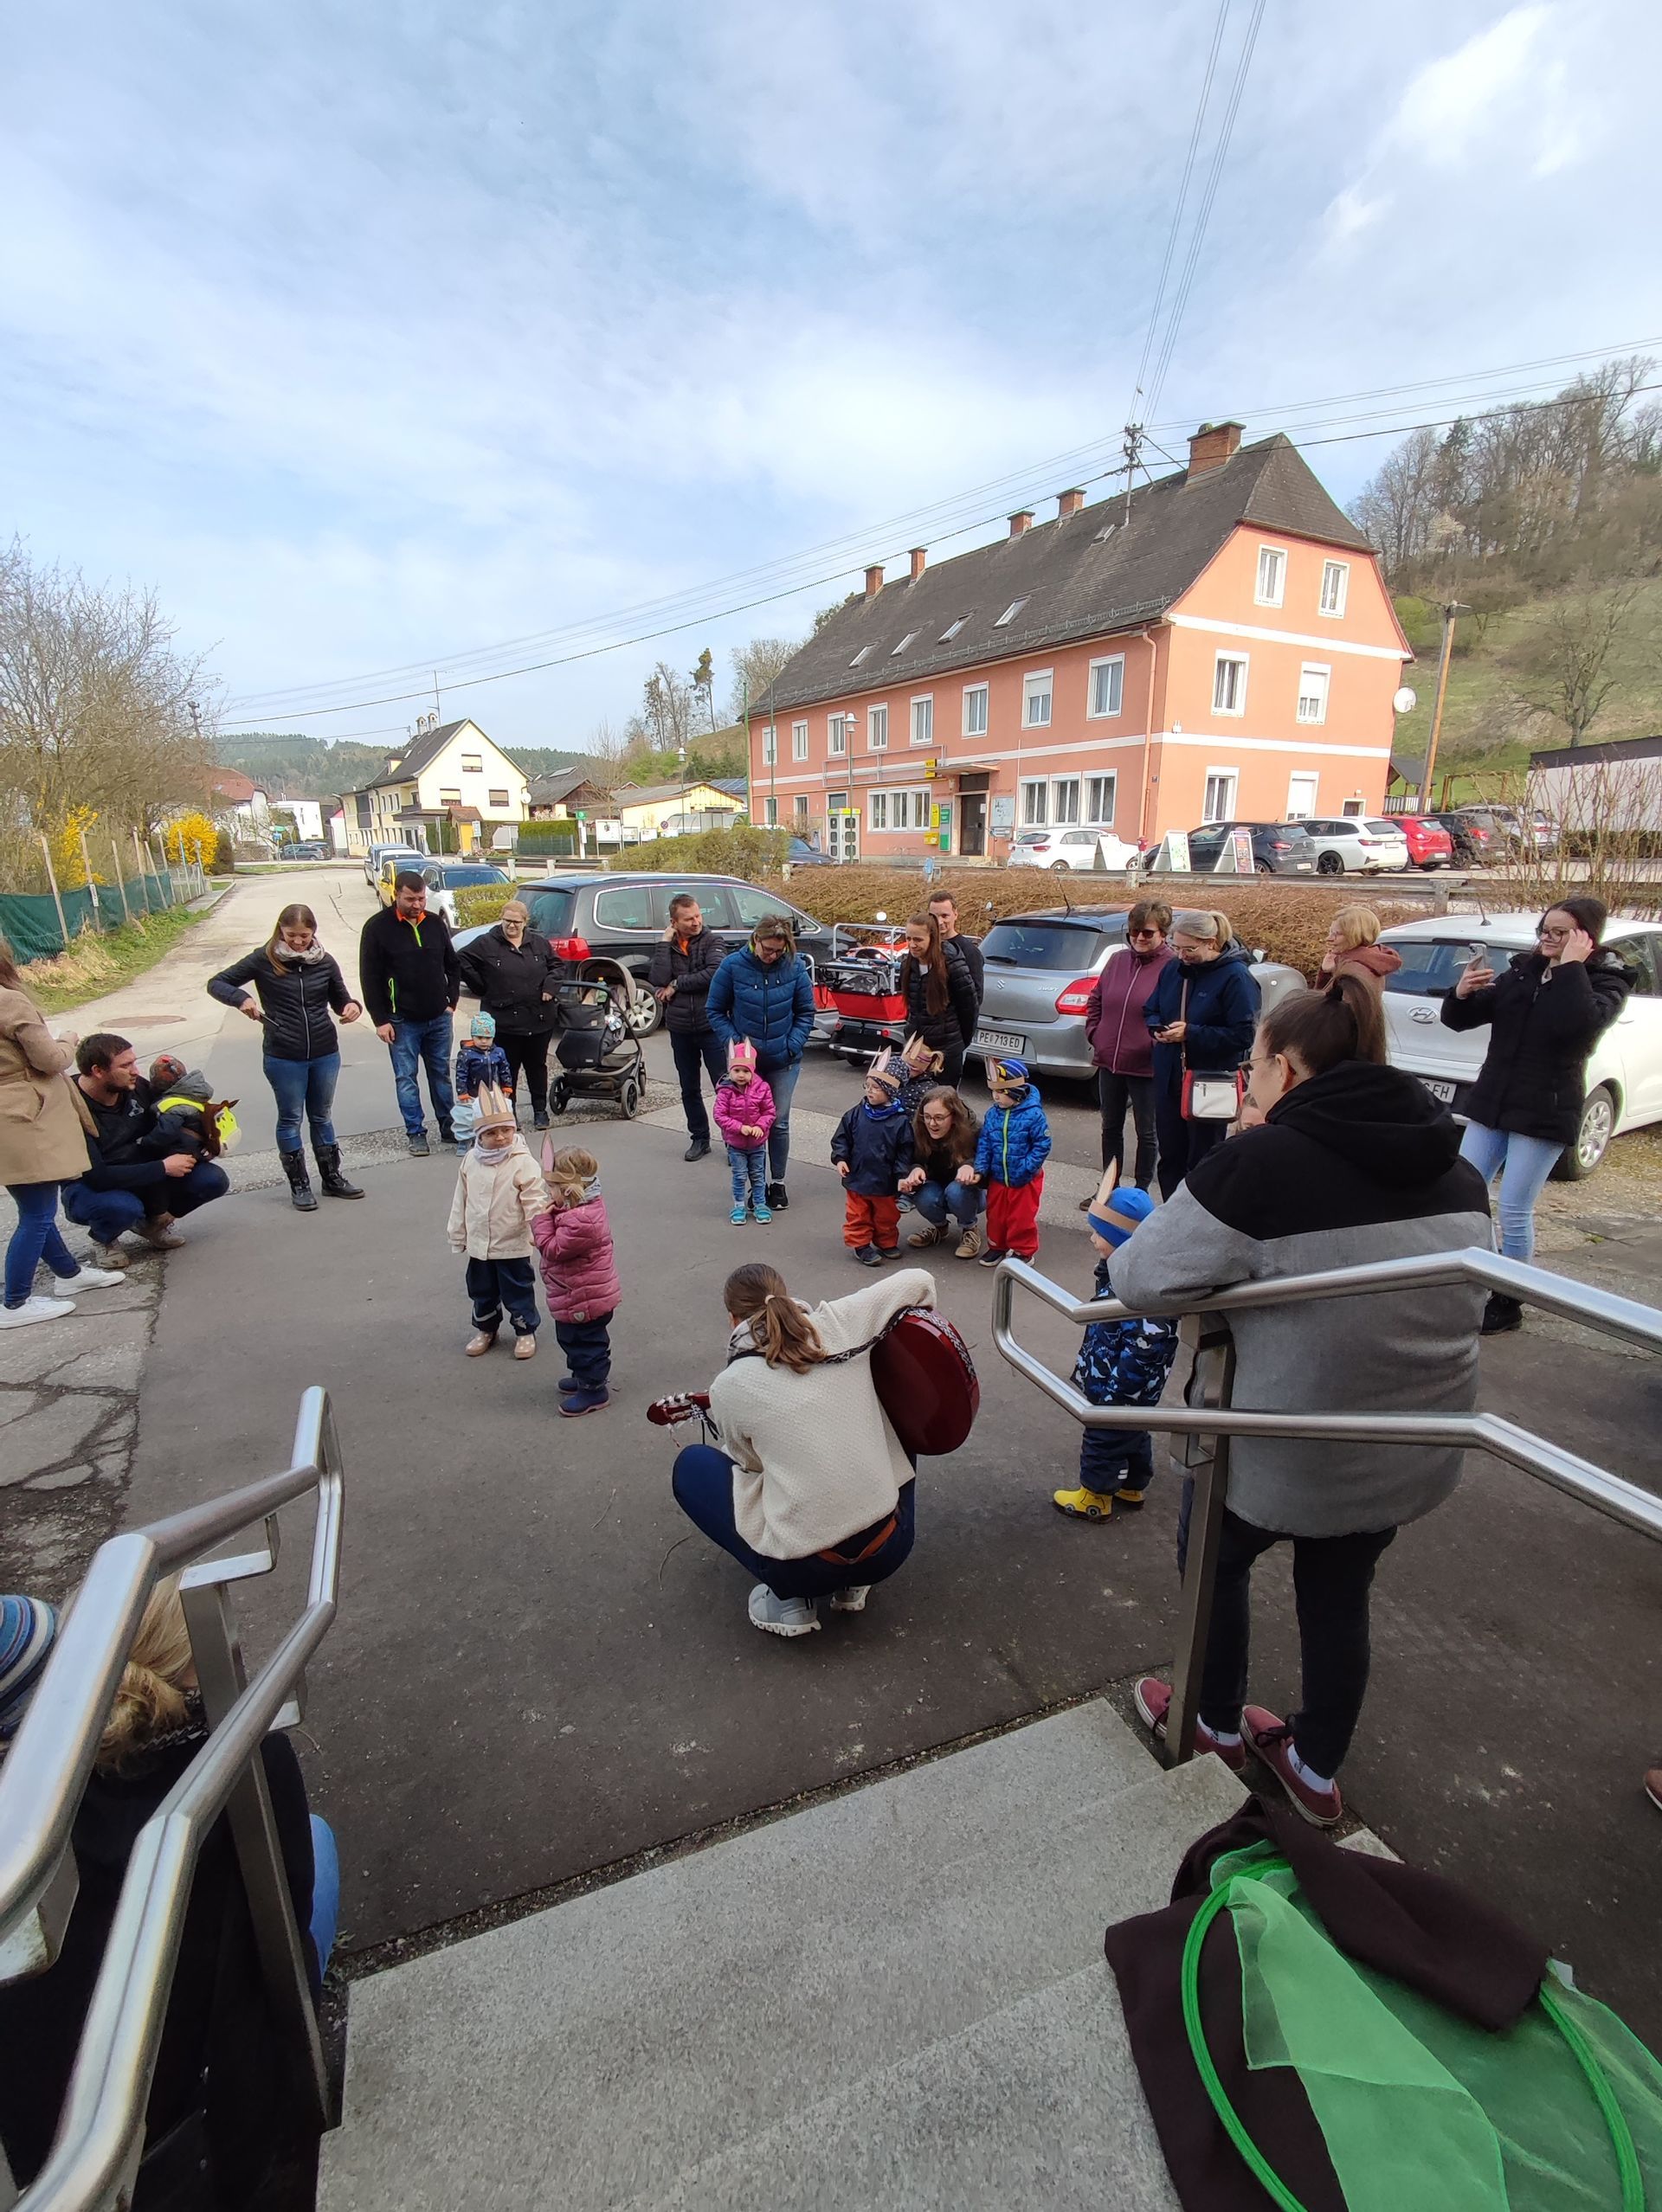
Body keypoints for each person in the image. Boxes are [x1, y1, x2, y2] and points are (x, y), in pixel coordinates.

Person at [1115, 974, 1491, 1826]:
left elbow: (1140, 1277)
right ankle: (1315, 1769)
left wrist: (1231, 1166)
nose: (1248, 1082)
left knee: (1215, 1560)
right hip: (1408, 1445)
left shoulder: (1260, 1165)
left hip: (1279, 1447)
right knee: (1340, 1592)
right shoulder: (1457, 1162)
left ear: (1284, 1068)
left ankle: (1211, 1723)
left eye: (1253, 1067)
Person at [0, 1585, 338, 2207]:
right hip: (207, 2120)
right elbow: (286, 1917)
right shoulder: (248, 1754)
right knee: (315, 1843)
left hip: (43, 2156)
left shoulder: (35, 1806)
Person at [668, 1261, 931, 1636]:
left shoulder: (728, 1386)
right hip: (890, 1547)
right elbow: (919, 1280)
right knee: (898, 1413)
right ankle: (856, 1581)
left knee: (692, 1466)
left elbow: (751, 1468)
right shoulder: (841, 1321)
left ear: (732, 1320)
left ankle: (789, 1602)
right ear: (786, 1295)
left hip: (804, 1569)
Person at [1441, 895, 1630, 1335]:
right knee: (1464, 1192)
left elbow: (1577, 1026)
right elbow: (1462, 1019)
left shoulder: (1607, 980)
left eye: (1560, 932)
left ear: (1586, 938)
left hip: (1545, 1108)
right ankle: (1483, 1276)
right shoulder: (1524, 970)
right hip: (1493, 1100)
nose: (1547, 938)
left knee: (1514, 1208)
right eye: (1544, 929)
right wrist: (1461, 994)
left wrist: (1571, 968)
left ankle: (1509, 1300)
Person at [0, 934, 124, 1329]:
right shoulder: (10, 1001)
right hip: (27, 1117)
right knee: (37, 1214)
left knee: (34, 1207)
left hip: (9, 1119)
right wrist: (68, 1042)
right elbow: (50, 1060)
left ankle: (68, 1274)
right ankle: (15, 1302)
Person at [207, 903, 364, 1210]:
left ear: (313, 932)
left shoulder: (325, 962)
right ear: (280, 930)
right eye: (291, 935)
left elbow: (341, 999)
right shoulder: (263, 959)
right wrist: (242, 999)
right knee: (291, 1118)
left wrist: (351, 1007)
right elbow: (217, 983)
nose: (298, 942)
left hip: (325, 1051)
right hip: (283, 1054)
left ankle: (332, 1178)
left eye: (304, 936)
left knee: (322, 1116)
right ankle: (299, 1184)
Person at [1051, 1181, 1180, 1521]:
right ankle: (1132, 1486)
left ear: (1123, 1242)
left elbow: (1145, 1348)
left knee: (1103, 1437)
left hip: (1119, 1385)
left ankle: (1094, 1496)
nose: (1093, 1239)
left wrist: (1116, 1392)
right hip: (1128, 1387)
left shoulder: (1139, 1291)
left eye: (1100, 1234)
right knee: (1133, 1432)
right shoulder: (1130, 1273)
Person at [61, 1034, 230, 1267]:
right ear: (98, 1071)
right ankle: (105, 1237)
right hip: (94, 1184)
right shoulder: (69, 1106)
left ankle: (152, 1225)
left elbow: (172, 1122)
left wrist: (200, 1143)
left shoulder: (135, 1087)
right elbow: (97, 1177)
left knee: (213, 1179)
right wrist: (163, 1167)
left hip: (145, 1169)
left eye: (134, 1062)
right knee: (122, 1208)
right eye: (125, 1066)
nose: (135, 1071)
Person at [1145, 909, 1260, 1200]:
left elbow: (1243, 1035)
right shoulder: (1173, 969)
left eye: (1189, 949)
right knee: (1170, 1155)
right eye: (1176, 947)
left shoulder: (1237, 977)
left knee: (1203, 1159)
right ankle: (1171, 1213)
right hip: (1170, 1075)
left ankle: (1199, 1213)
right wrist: (1156, 1028)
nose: (1181, 955)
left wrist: (1191, 1033)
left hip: (1211, 1081)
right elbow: (1151, 1008)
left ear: (1211, 943)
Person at [707, 915, 815, 1210]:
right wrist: (737, 1046)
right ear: (755, 940)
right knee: (746, 1122)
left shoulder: (794, 967)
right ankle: (755, 1185)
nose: (772, 956)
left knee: (777, 1121)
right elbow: (715, 1010)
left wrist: (792, 1045)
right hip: (745, 1063)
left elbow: (806, 1012)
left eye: (779, 951)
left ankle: (777, 1183)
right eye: (768, 949)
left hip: (783, 1059)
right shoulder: (732, 966)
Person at [358, 871, 461, 1157]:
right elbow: (369, 977)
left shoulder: (435, 924)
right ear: (396, 895)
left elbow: (453, 965)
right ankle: (416, 1133)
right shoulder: (377, 928)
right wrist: (380, 1020)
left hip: (439, 1017)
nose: (417, 905)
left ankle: (448, 1127)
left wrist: (451, 1001)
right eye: (410, 899)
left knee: (441, 1075)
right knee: (406, 1078)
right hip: (401, 1020)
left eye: (421, 899)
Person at [1079, 900, 1172, 1198]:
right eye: (1134, 932)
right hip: (1110, 1060)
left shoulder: (1172, 967)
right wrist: (1096, 1033)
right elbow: (1096, 1000)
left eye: (1147, 933)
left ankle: (1139, 1194)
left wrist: (1153, 1044)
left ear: (1163, 933)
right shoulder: (1118, 960)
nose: (1139, 938)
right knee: (1110, 1127)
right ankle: (1109, 1189)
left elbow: (1173, 1014)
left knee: (1147, 1132)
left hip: (1147, 1066)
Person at [447, 1085, 546, 1359]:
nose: (500, 1137)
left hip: (511, 1243)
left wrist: (539, 1231)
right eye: (491, 1133)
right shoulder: (471, 1160)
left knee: (518, 1289)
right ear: (479, 1135)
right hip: (480, 1244)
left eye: (506, 1130)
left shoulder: (522, 1162)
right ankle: (486, 1329)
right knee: (482, 1290)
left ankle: (525, 1331)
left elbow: (535, 1199)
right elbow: (461, 1199)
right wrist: (458, 1233)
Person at [457, 898, 561, 1129]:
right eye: (507, 920)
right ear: (501, 919)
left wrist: (550, 987)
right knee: (507, 1069)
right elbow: (461, 960)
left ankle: (540, 1111)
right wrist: (481, 986)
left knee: (537, 1067)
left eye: (516, 922)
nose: (511, 926)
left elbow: (557, 966)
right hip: (504, 1021)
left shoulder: (539, 943)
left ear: (525, 922)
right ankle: (508, 1112)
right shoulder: (486, 943)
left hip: (538, 1018)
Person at [531, 1145, 620, 1415]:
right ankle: (584, 1377)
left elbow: (553, 1249)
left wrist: (541, 1221)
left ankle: (594, 1389)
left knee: (585, 1345)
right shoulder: (577, 1210)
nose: (549, 1193)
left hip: (584, 1298)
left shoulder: (581, 1221)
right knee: (572, 1339)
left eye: (552, 1188)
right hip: (577, 1293)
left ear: (569, 1191)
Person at [647, 892, 729, 1161]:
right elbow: (658, 978)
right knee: (689, 1088)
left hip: (710, 1025)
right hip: (681, 1027)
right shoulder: (669, 945)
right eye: (688, 919)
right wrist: (663, 943)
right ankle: (700, 1138)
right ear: (674, 922)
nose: (696, 922)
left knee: (724, 1086)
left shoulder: (713, 940)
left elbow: (714, 973)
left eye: (698, 916)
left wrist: (677, 984)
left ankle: (733, 1142)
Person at [831, 1058, 915, 1266]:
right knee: (858, 1215)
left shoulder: (901, 1121)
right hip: (857, 1178)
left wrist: (901, 1175)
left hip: (885, 1182)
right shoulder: (855, 1114)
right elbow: (842, 1138)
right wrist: (840, 1158)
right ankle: (861, 1245)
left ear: (890, 1091)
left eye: (876, 1087)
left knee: (887, 1216)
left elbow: (905, 1151)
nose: (869, 1091)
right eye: (867, 1085)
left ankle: (886, 1241)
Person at [972, 1054, 1050, 1269]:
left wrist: (1027, 1168)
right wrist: (981, 1168)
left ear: (1015, 1092)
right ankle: (997, 1246)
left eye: (1001, 1092)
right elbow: (985, 1142)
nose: (995, 1097)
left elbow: (1042, 1145)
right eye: (993, 1092)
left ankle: (1023, 1251)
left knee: (1021, 1217)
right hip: (998, 1176)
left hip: (1025, 1179)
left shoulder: (1034, 1115)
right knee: (996, 1214)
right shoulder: (993, 1114)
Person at [893, 912, 978, 1088]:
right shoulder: (907, 965)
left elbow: (969, 1007)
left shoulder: (953, 965)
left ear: (933, 938)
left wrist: (959, 1044)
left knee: (942, 1100)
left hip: (946, 1050)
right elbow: (911, 1008)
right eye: (908, 938)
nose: (912, 944)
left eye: (918, 939)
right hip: (915, 1048)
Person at [901, 1087, 983, 1257]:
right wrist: (915, 1169)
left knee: (956, 1191)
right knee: (924, 1196)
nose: (932, 1123)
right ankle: (940, 1227)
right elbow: (909, 1158)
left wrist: (971, 1165)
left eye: (939, 1118)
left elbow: (988, 1160)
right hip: (937, 1187)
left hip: (971, 1192)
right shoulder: (917, 1129)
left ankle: (970, 1229)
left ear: (954, 1116)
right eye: (927, 1117)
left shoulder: (974, 1130)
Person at [710, 1038, 776, 1225]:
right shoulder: (725, 1091)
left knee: (758, 1175)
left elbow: (769, 1112)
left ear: (752, 1071)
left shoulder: (762, 1088)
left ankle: (760, 1204)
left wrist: (760, 1126)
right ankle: (739, 1206)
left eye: (746, 1071)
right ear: (730, 1071)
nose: (741, 1075)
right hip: (736, 1144)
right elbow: (719, 1115)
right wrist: (739, 1127)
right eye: (737, 1070)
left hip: (757, 1143)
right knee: (739, 1175)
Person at [452, 1013, 512, 1150]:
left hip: (493, 1091)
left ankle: (488, 1139)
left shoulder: (498, 1052)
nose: (484, 1041)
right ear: (472, 1036)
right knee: (467, 1117)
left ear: (493, 1037)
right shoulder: (466, 1054)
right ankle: (464, 1140)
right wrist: (463, 1093)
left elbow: (505, 1070)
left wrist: (507, 1087)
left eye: (488, 1038)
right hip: (472, 1093)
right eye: (479, 1037)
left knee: (492, 1117)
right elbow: (461, 1074)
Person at [1317, 903, 1402, 990]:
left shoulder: (1352, 970)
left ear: (1355, 936)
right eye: (1330, 932)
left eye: (1337, 934)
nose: (1329, 939)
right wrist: (1327, 973)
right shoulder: (1370, 961)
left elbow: (1328, 998)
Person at [926, 889, 985, 1006]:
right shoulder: (924, 947)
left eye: (945, 916)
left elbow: (975, 997)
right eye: (934, 916)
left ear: (955, 914)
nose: (939, 922)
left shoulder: (969, 951)